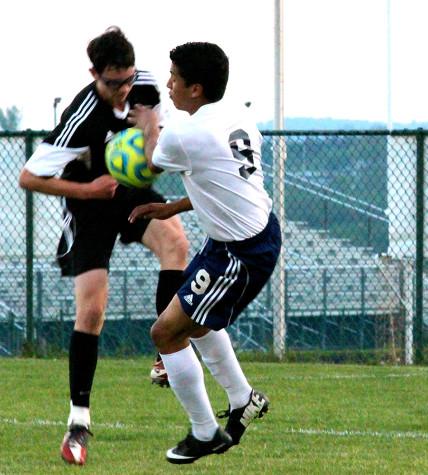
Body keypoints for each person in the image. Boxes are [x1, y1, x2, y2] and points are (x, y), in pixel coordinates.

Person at [18, 27, 189, 465]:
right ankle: (78, 422)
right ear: (94, 74)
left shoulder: (148, 89)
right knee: (92, 311)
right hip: (89, 203)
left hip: (129, 192)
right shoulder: (81, 117)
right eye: (114, 83)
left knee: (175, 242)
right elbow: (29, 177)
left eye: (129, 79)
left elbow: (157, 161)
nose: (124, 90)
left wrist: (152, 129)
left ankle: (164, 355)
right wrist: (90, 190)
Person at [128, 41, 282, 464]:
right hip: (244, 236)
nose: (169, 82)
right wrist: (173, 206)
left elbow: (148, 162)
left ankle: (204, 433)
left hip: (240, 253)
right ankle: (242, 398)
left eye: (174, 75)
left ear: (195, 88)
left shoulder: (182, 132)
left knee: (166, 333)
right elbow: (221, 184)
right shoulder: (238, 116)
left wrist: (147, 122)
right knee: (195, 324)